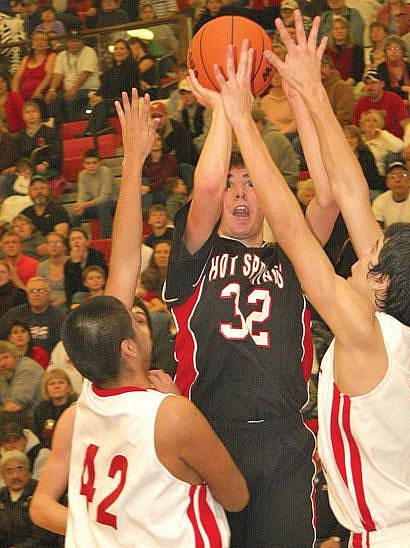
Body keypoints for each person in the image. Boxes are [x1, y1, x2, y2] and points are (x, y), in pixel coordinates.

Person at [228, 12, 410, 546]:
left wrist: (242, 121)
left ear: (381, 286)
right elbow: (354, 194)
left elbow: (290, 228)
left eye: (370, 260)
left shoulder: (366, 333)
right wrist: (311, 93)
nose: (361, 258)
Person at [30, 89, 249, 545]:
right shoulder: (171, 415)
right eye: (136, 318)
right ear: (128, 347)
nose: (140, 312)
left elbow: (124, 263)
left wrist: (132, 162)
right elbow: (237, 496)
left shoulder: (86, 402)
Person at [164, 43, 339, 545]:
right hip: (210, 434)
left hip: (283, 436)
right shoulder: (195, 252)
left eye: (252, 183)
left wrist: (301, 101)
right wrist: (225, 109)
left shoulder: (291, 256)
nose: (239, 193)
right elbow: (208, 184)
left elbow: (326, 199)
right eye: (233, 186)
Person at [0, 450, 61, 547]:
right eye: (9, 471)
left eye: (20, 469)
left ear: (29, 471)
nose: (15, 476)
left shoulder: (42, 493)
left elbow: (45, 535)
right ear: (2, 476)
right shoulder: (1, 496)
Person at [44, 30, 100, 124]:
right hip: (69, 91)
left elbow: (85, 73)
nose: (74, 43)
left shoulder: (89, 51)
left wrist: (74, 89)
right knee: (53, 99)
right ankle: (58, 129)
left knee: (71, 98)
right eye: (71, 41)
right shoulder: (62, 55)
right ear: (67, 42)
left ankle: (74, 127)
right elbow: (58, 74)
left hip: (88, 90)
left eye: (77, 41)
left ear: (82, 41)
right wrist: (52, 90)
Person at [0, 276, 63, 354]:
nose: (37, 294)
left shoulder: (58, 317)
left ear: (49, 294)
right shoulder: (14, 314)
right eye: (32, 291)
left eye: (41, 290)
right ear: (27, 295)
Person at [70, 148, 115, 239]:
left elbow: (105, 197)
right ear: (84, 165)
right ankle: (75, 238)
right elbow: (81, 195)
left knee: (103, 206)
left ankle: (105, 239)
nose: (91, 166)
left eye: (94, 163)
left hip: (112, 203)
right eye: (88, 163)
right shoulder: (82, 175)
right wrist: (79, 205)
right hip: (95, 205)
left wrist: (84, 205)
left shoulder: (106, 171)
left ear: (99, 163)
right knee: (75, 212)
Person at [352, 69, 409, 138]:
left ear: (382, 84)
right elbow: (356, 131)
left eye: (373, 82)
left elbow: (407, 127)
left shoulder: (394, 99)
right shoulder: (360, 104)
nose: (370, 87)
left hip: (394, 144)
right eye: (367, 83)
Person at [63, 228, 108, 307]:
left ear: (87, 242)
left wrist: (77, 264)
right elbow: (69, 289)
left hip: (96, 293)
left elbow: (85, 286)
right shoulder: (68, 264)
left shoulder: (97, 257)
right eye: (72, 239)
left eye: (79, 238)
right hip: (77, 298)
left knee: (78, 296)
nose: (76, 242)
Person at [33, 369, 77, 448]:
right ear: (46, 389)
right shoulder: (41, 409)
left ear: (69, 387)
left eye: (61, 382)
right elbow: (37, 435)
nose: (57, 386)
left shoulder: (76, 406)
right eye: (52, 384)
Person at [10, 30, 56, 105]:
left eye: (43, 39)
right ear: (32, 44)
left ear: (47, 44)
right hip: (22, 95)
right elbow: (16, 79)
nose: (40, 42)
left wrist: (38, 91)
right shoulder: (26, 59)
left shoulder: (51, 56)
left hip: (40, 94)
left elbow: (49, 75)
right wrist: (16, 96)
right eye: (36, 40)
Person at [0, 340, 44, 418]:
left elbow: (15, 405)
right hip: (14, 419)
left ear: (16, 356)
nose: (2, 364)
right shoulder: (4, 373)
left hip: (36, 421)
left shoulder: (27, 368)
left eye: (6, 357)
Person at [359, 108, 404, 176]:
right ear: (362, 124)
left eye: (375, 121)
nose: (371, 123)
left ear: (379, 123)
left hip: (376, 176)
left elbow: (400, 147)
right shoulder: (359, 140)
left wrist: (382, 133)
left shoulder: (384, 139)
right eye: (367, 121)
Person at [376, 35, 410, 100]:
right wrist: (402, 88)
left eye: (396, 49)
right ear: (385, 52)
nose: (393, 52)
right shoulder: (381, 68)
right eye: (389, 49)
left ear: (402, 51)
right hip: (388, 100)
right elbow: (383, 89)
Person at [324, 17, 364, 87]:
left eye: (342, 28)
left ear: (348, 31)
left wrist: (345, 86)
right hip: (330, 86)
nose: (339, 31)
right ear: (331, 31)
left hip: (350, 86)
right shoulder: (326, 51)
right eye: (336, 28)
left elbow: (357, 72)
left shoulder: (356, 49)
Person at [37, 231, 68, 312]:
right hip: (46, 306)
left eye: (57, 243)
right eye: (50, 243)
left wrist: (56, 304)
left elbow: (75, 289)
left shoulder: (71, 264)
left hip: (68, 304)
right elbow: (39, 288)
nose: (53, 245)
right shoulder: (41, 266)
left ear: (64, 246)